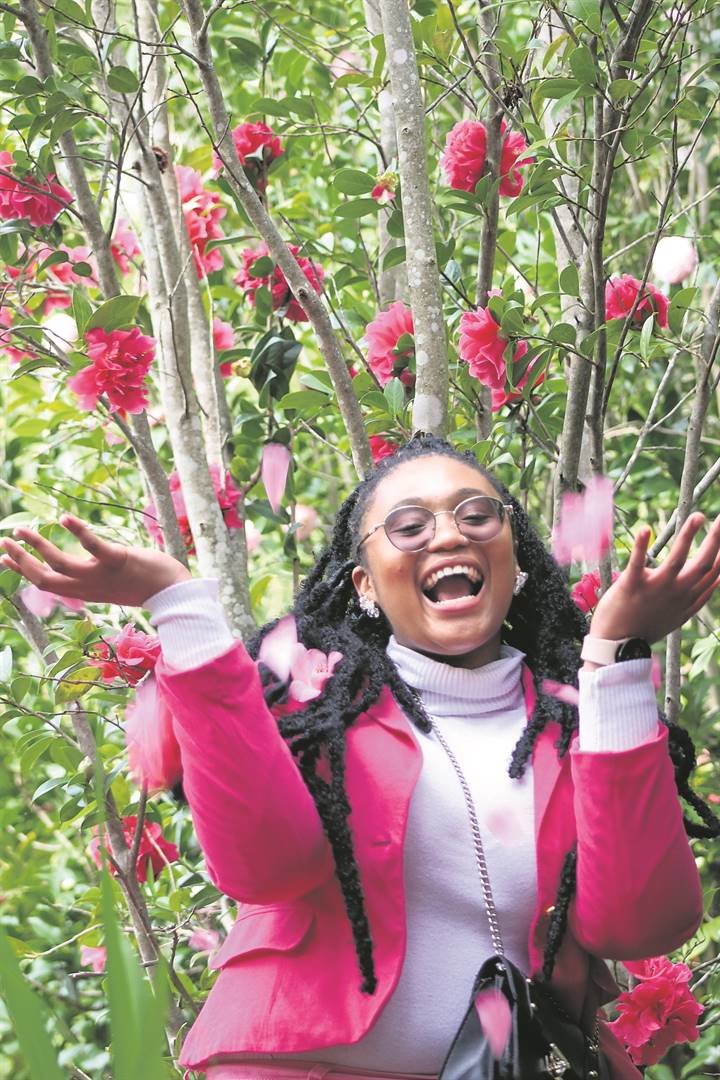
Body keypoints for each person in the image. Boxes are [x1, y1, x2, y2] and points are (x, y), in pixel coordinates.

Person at [2, 433, 719, 1080]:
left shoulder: (579, 719)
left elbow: (640, 924)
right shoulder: (316, 705)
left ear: (515, 557)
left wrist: (615, 661)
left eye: (477, 516)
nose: (449, 534)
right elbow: (263, 868)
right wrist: (176, 601)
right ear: (365, 584)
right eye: (409, 526)